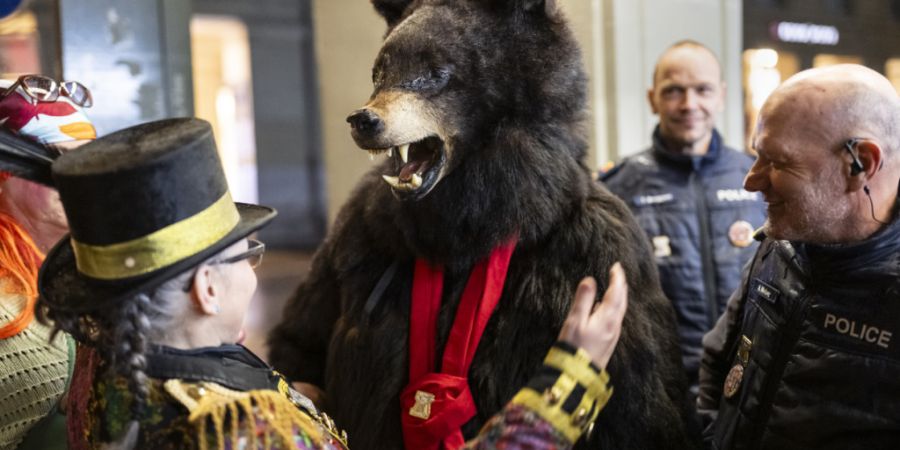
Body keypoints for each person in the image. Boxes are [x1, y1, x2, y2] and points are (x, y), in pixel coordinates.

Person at [33, 117, 627, 449]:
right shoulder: (237, 428)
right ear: (205, 290)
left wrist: (305, 399)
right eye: (247, 255)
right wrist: (563, 385)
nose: (255, 268)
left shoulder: (104, 368)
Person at [698, 64, 900, 449]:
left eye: (777, 162)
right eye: (756, 156)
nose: (751, 181)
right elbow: (717, 362)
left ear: (861, 165)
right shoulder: (779, 246)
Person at [600, 40, 766, 393]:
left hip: (749, 383)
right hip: (661, 388)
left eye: (702, 90)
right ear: (652, 99)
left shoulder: (758, 180)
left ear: (721, 96)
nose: (689, 105)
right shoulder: (616, 189)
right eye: (674, 91)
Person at [0, 74, 96, 450]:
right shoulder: (8, 314)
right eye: (55, 160)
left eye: (89, 159)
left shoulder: (86, 271)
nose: (81, 179)